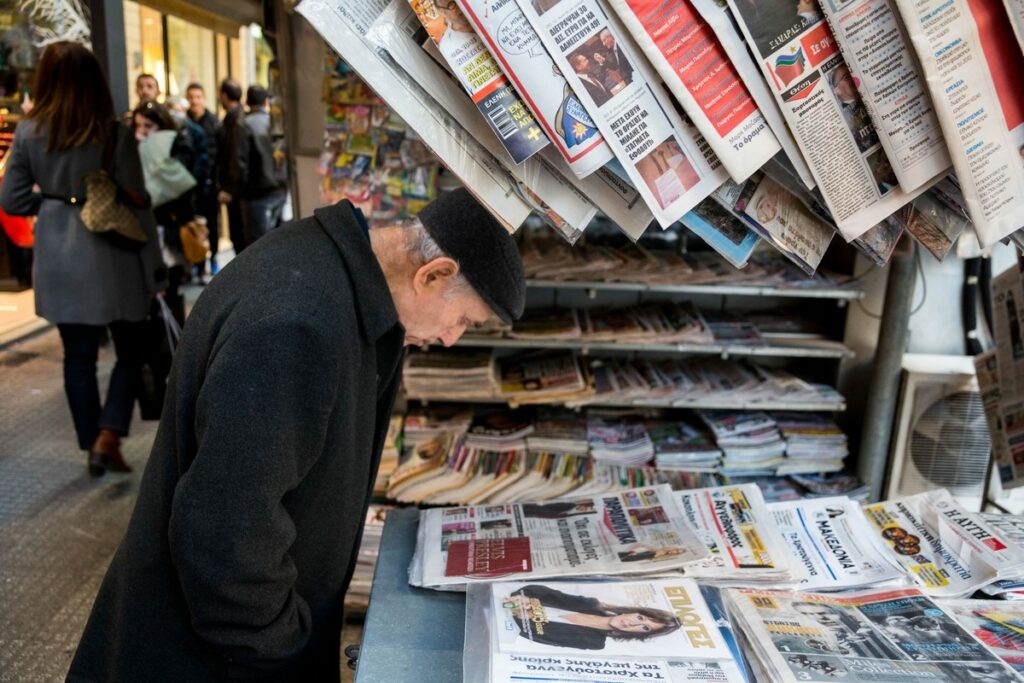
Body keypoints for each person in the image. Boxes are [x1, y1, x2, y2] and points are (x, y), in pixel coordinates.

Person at [67, 188, 526, 681]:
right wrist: (278, 641)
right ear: (434, 274)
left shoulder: (332, 270)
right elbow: (226, 527)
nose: (451, 337)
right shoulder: (298, 327)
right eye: (462, 320)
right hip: (212, 657)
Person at [0, 42, 162, 476]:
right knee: (131, 349)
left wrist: (55, 204)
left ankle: (93, 441)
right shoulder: (113, 132)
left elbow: (11, 200)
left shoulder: (30, 132)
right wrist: (154, 267)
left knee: (78, 357)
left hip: (58, 257)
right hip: (115, 259)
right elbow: (138, 203)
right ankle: (110, 432)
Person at [133, 100, 198, 325]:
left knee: (169, 289)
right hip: (144, 230)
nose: (142, 131)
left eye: (148, 125)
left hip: (169, 228)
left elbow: (181, 184)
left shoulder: (178, 144)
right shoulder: (130, 148)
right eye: (138, 126)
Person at [502, 584, 681, 650]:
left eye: (645, 628)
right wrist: (526, 598)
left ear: (640, 635)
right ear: (633, 611)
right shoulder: (590, 604)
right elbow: (541, 591)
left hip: (504, 630)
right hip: (501, 602)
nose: (632, 623)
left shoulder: (594, 642)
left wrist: (520, 617)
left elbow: (543, 638)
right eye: (641, 618)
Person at [242, 85, 287, 244]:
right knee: (278, 240)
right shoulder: (273, 122)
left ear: (247, 101)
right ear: (266, 101)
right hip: (279, 188)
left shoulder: (245, 124)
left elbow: (242, 161)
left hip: (258, 191)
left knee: (258, 243)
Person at [185, 82, 221, 277]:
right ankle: (198, 264)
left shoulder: (214, 123)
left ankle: (213, 257)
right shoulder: (184, 123)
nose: (194, 101)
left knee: (212, 225)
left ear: (204, 99)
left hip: (210, 184)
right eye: (191, 97)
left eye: (198, 97)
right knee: (194, 224)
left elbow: (220, 156)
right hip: (191, 186)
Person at [215, 78, 248, 255]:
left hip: (237, 191)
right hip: (238, 189)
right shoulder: (235, 118)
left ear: (224, 95)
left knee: (239, 235)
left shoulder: (236, 121)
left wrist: (229, 189)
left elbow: (236, 157)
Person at [829, 64, 878, 153]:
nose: (853, 77)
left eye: (851, 72)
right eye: (846, 77)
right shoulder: (842, 119)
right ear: (837, 91)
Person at [521, 500, 596, 519]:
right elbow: (557, 505)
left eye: (585, 510)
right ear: (582, 505)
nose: (583, 509)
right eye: (584, 508)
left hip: (550, 515)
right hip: (548, 510)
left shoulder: (575, 514)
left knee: (533, 514)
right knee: (535, 510)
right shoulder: (572, 505)